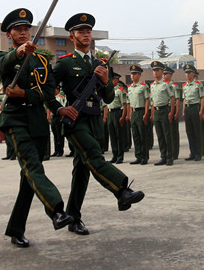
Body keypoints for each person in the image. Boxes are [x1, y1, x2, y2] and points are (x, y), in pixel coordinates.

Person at [52, 13, 145, 235]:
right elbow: (48, 91)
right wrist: (58, 108)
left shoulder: (100, 64)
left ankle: (73, 218)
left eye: (88, 31)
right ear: (72, 36)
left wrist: (105, 81)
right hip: (75, 120)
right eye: (80, 32)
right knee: (94, 155)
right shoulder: (65, 64)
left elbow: (110, 98)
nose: (85, 35)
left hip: (95, 119)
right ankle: (122, 190)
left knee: (82, 170)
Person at [0, 8, 76, 248]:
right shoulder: (2, 56)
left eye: (26, 28)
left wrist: (25, 93)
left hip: (38, 120)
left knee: (29, 178)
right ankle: (57, 211)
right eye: (17, 29)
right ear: (9, 35)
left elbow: (50, 92)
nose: (22, 32)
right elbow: (3, 66)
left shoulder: (41, 60)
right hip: (15, 120)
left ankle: (16, 229)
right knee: (33, 167)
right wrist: (19, 53)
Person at [148, 62, 175, 166]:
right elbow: (153, 101)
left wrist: (171, 112)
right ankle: (163, 156)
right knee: (160, 135)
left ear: (162, 71)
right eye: (154, 70)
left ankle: (170, 157)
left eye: (157, 70)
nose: (155, 72)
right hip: (157, 112)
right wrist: (152, 113)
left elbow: (172, 98)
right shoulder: (152, 85)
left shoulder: (167, 84)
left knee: (167, 135)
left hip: (165, 110)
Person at [126, 64, 151, 165]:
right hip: (134, 112)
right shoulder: (130, 88)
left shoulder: (144, 86)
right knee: (135, 135)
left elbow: (147, 100)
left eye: (135, 74)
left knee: (143, 135)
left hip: (141, 112)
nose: (132, 76)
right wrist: (129, 114)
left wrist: (146, 114)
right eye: (131, 74)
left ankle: (144, 157)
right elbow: (128, 103)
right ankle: (138, 156)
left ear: (139, 75)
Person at [181, 64, 204, 161]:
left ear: (193, 73)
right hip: (187, 109)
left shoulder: (198, 85)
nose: (187, 74)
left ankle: (198, 153)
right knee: (189, 132)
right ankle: (192, 152)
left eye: (189, 73)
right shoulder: (184, 86)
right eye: (186, 73)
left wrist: (201, 110)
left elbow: (202, 98)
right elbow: (184, 99)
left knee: (197, 131)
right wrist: (183, 111)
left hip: (195, 108)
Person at [104, 72, 129, 164]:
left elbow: (125, 104)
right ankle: (114, 155)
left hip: (117, 113)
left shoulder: (120, 90)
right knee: (112, 135)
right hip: (110, 113)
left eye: (113, 79)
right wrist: (106, 116)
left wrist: (123, 116)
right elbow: (106, 105)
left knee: (119, 135)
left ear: (117, 79)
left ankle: (120, 156)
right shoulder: (108, 90)